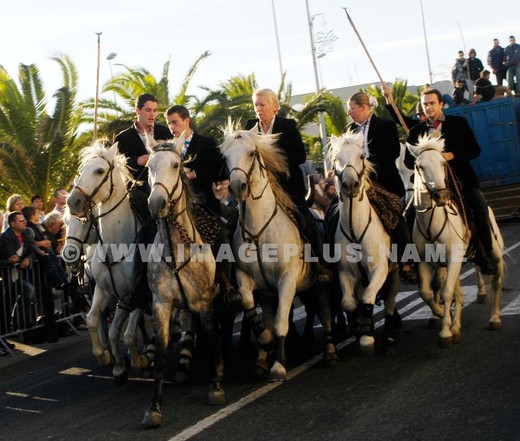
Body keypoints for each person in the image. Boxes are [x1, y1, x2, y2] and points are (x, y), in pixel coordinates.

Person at [405, 89, 498, 275]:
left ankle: (485, 253)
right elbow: (408, 161)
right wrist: (422, 160)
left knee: (479, 206)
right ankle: (410, 259)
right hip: (429, 183)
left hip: (459, 177)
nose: (429, 107)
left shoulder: (458, 123)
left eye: (432, 103)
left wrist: (452, 155)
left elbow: (474, 150)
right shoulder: (416, 132)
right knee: (407, 213)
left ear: (441, 104)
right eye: (425, 104)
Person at [245, 88, 332, 284]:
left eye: (262, 104)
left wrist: (274, 163)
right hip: (258, 191)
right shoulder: (250, 127)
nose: (258, 109)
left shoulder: (288, 126)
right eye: (255, 105)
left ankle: (319, 266)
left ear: (275, 107)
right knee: (237, 221)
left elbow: (300, 156)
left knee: (307, 223)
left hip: (288, 189)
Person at [344, 92, 415, 283]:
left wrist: (367, 165)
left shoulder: (385, 125)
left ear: (364, 107)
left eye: (351, 108)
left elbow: (392, 151)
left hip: (383, 181)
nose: (349, 112)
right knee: (337, 211)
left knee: (397, 219)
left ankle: (407, 260)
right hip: (356, 183)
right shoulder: (348, 130)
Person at [165, 105, 226, 216]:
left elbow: (220, 171)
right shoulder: (168, 149)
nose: (171, 127)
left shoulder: (206, 142)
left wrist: (194, 174)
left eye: (174, 122)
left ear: (187, 120)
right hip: (175, 209)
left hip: (204, 206)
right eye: (169, 124)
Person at [0, 211, 36, 330]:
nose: (24, 222)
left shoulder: (26, 233)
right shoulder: (6, 237)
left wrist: (28, 258)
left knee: (26, 292)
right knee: (9, 302)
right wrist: (12, 261)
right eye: (21, 220)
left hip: (19, 275)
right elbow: (12, 256)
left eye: (24, 219)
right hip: (8, 277)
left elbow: (32, 249)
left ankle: (17, 323)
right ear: (12, 224)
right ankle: (10, 326)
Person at [22, 206, 68, 290]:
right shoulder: (28, 228)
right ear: (32, 215)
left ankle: (64, 282)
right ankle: (59, 282)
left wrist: (46, 242)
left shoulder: (37, 226)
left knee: (57, 266)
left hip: (49, 251)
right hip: (40, 254)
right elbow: (28, 242)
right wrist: (41, 243)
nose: (39, 215)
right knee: (51, 266)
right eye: (37, 213)